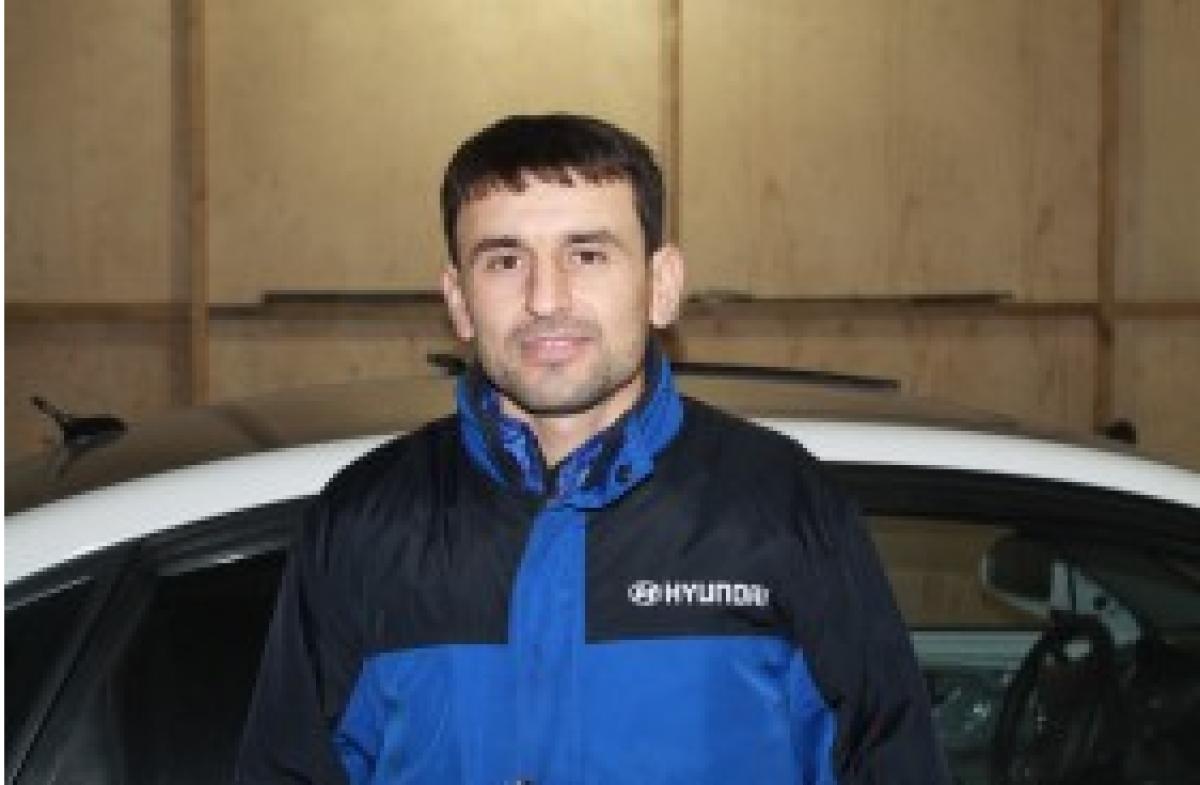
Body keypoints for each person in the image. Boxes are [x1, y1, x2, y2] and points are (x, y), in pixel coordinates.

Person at [234, 113, 950, 784]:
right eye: (504, 260)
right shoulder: (363, 521)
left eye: (587, 254)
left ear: (661, 286)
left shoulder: (784, 507)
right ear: (457, 300)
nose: (546, 298)